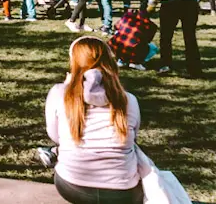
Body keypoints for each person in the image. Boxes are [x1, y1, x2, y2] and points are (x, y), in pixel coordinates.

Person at [45, 37, 143, 204]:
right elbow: (133, 136)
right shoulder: (129, 100)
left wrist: (66, 86)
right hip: (123, 192)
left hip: (73, 186)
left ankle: (52, 153)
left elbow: (55, 136)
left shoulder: (59, 93)